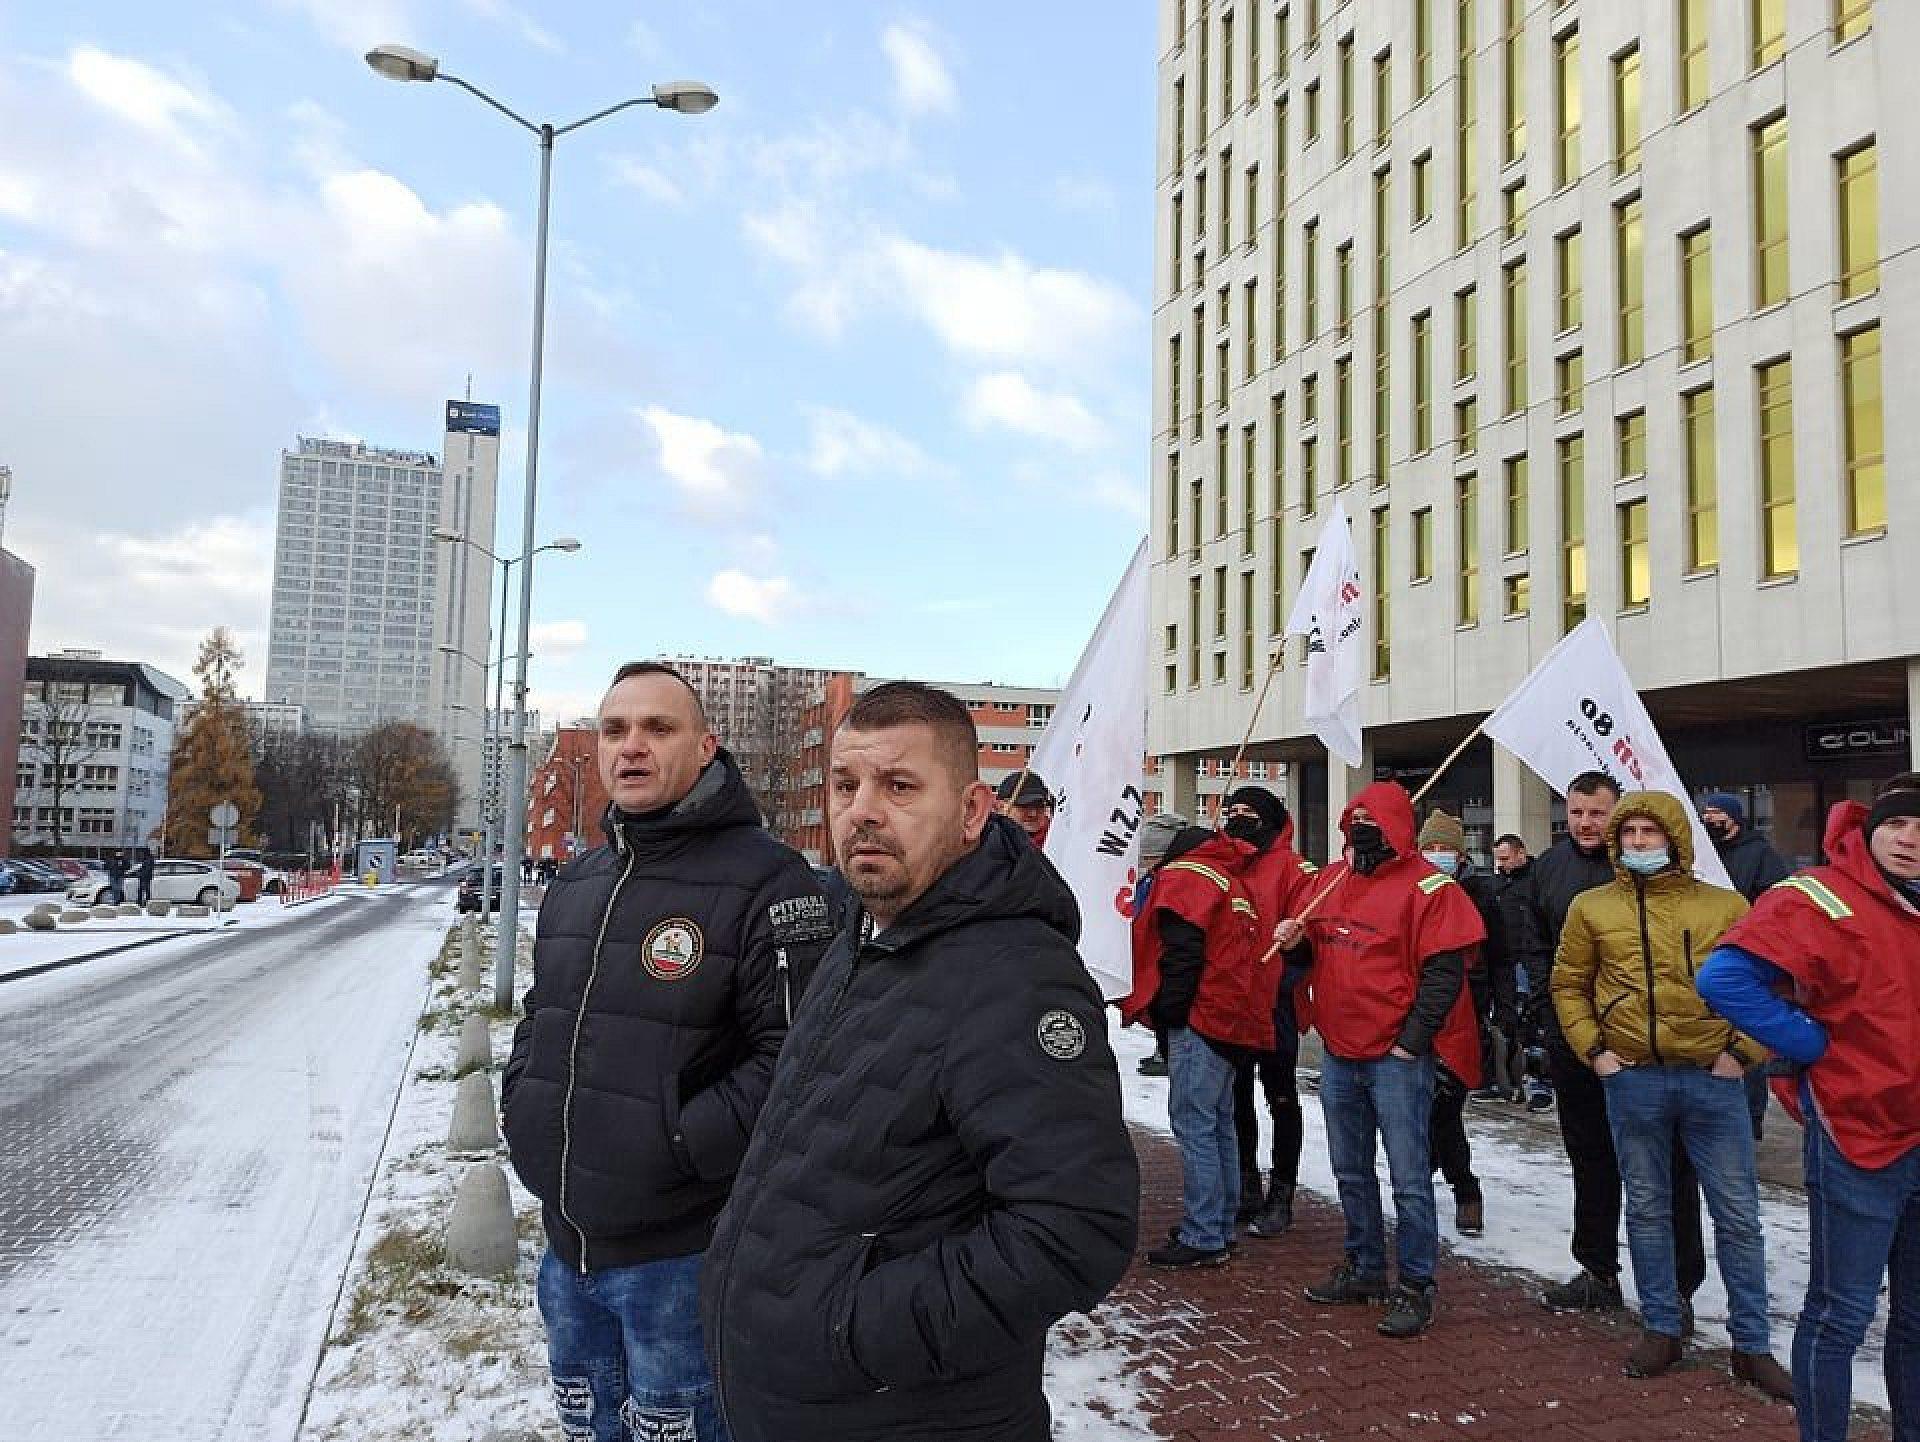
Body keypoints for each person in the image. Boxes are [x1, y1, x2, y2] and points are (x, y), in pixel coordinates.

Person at [702, 682, 1138, 1442]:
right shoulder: (863, 935)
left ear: (972, 812)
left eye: (899, 785)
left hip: (905, 1414)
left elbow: (1075, 1227)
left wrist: (850, 1328)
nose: (861, 810)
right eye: (846, 784)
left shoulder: (1017, 976)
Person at [501, 661, 833, 1442]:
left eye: (659, 728)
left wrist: (679, 1142)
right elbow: (541, 1014)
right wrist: (524, 1107)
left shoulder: (771, 880)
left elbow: (800, 1060)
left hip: (681, 1263)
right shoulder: (579, 879)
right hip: (566, 1255)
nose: (632, 747)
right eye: (615, 730)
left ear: (706, 745)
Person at [1699, 777, 1920, 1439]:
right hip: (1858, 1135)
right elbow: (1724, 978)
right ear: (1870, 828)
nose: (1911, 839)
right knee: (1840, 1316)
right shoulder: (1818, 895)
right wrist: (1808, 1042)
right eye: (1898, 824)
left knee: (1914, 1319)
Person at [1551, 790, 1791, 1395]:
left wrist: (1743, 1052)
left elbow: (1764, 981)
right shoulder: (1591, 906)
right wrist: (1597, 1053)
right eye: (1627, 831)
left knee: (1737, 1215)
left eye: (1648, 832)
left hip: (1713, 1080)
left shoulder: (1724, 903)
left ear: (1674, 839)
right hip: (1633, 1080)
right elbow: (1569, 984)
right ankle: (1662, 1324)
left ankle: (1752, 1343)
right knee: (1649, 1207)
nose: (1636, 841)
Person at [1274, 782, 1485, 1339]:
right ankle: (1365, 1266)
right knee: (1350, 1169)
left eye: (1371, 820)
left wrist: (1411, 1043)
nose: (1360, 829)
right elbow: (1309, 947)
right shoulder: (1332, 881)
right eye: (1354, 819)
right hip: (1341, 1053)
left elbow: (1444, 975)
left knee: (1410, 1176)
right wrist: (1294, 939)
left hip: (1395, 1058)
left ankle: (1417, 1284)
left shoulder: (1431, 889)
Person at [1516, 771, 1708, 1318]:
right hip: (1577, 1045)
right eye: (1576, 813)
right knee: (1591, 1161)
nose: (1585, 824)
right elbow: (1534, 947)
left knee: (1667, 1168)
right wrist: (1552, 1021)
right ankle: (1597, 1270)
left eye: (1597, 813)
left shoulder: (1651, 873)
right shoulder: (1549, 869)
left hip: (1648, 1049)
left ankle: (1677, 1288)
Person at [1124, 823, 1274, 1267]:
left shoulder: (1186, 879)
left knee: (1195, 1124)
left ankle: (1204, 1232)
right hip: (1232, 1021)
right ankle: (1219, 1224)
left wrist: (1169, 1016)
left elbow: (1182, 954)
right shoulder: (1231, 879)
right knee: (1219, 1124)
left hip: (1201, 1019)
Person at [1219, 785, 1320, 1238]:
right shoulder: (1223, 865)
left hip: (1275, 1000)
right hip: (1231, 1000)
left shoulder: (1295, 869)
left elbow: (1309, 936)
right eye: (1232, 811)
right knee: (1236, 1096)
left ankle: (1282, 1194)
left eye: (1249, 812)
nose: (1239, 818)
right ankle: (1246, 1185)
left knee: (1281, 1098)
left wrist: (1290, 961)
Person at [1415, 810, 1511, 1236]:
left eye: (1445, 850)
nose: (1437, 857)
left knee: (1447, 1110)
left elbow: (1500, 958)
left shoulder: (1481, 893)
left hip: (1465, 1017)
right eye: (1429, 849)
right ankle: (1419, 1181)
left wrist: (1503, 1011)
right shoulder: (1412, 890)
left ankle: (1465, 1189)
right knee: (1417, 1111)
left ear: (1461, 853)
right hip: (1417, 1015)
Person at [1699, 791, 1794, 1140]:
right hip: (1707, 956)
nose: (1710, 820)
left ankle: (1750, 1120)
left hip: (1747, 955)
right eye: (1706, 814)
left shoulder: (1760, 853)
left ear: (1734, 819)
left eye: (1717, 815)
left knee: (1747, 1037)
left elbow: (1777, 900)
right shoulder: (1703, 854)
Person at [1131, 811, 1192, 1078]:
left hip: (1167, 956)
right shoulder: (1150, 880)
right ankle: (1162, 1047)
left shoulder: (1174, 882)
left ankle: (1168, 1051)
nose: (1147, 864)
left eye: (1151, 858)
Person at [1480, 833, 1535, 1105]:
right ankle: (1498, 1078)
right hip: (1502, 959)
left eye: (1505, 858)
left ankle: (1530, 1080)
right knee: (1500, 1022)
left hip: (1527, 960)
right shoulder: (1494, 885)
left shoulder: (1536, 880)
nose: (1501, 864)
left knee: (1525, 1020)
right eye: (1497, 859)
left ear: (1520, 853)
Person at [994, 769, 1054, 847]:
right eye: (1024, 806)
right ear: (1001, 807)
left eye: (1039, 806)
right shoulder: (983, 841)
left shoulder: (1059, 840)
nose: (1033, 814)